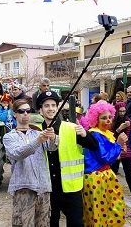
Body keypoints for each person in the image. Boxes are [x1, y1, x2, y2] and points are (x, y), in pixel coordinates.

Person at [37, 90, 99, 227]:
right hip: (48, 189)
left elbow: (94, 146)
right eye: (46, 106)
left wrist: (85, 135)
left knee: (76, 223)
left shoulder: (71, 128)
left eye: (53, 105)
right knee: (50, 223)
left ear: (57, 107)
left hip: (70, 189)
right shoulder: (36, 132)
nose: (50, 109)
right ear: (40, 111)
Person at [2, 99, 57, 226]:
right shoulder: (9, 137)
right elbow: (18, 153)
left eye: (28, 111)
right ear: (15, 114)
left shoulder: (38, 133)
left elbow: (52, 147)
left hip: (44, 188)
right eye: (21, 111)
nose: (25, 114)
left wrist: (53, 137)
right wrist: (37, 141)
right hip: (24, 189)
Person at [84, 101, 127, 226]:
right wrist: (118, 145)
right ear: (95, 119)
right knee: (98, 213)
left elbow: (111, 156)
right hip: (95, 178)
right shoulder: (95, 134)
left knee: (113, 209)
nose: (108, 120)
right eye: (104, 118)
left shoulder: (105, 133)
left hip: (104, 176)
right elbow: (105, 157)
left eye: (109, 117)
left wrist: (117, 148)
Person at [110, 102, 131, 202]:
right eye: (120, 111)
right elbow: (111, 136)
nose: (122, 113)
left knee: (128, 171)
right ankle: (110, 192)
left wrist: (126, 128)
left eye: (124, 111)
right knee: (113, 171)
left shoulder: (127, 120)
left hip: (125, 148)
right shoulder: (112, 121)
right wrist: (119, 129)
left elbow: (128, 136)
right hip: (115, 148)